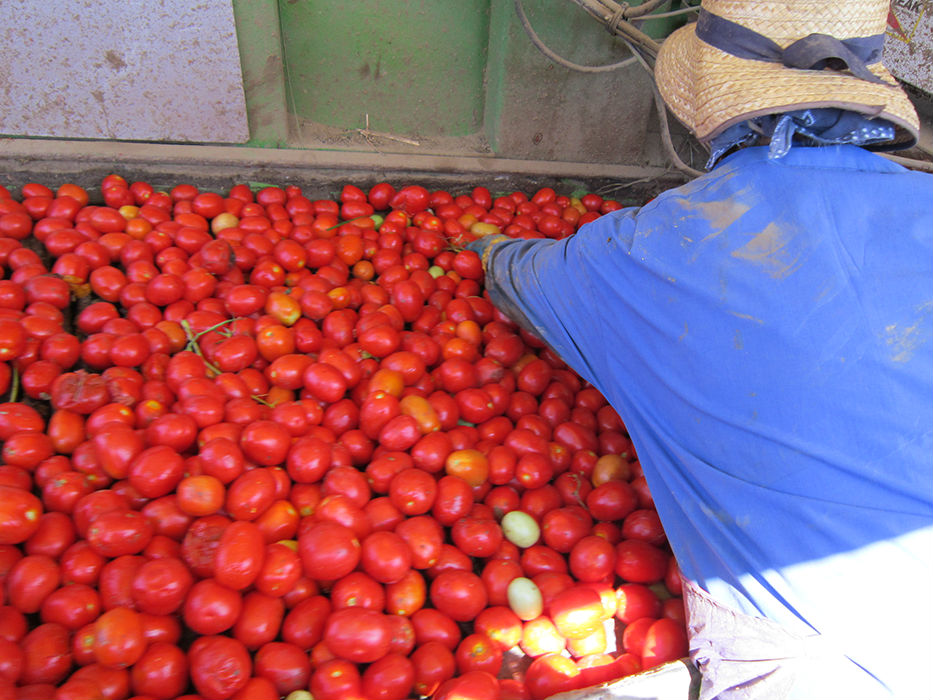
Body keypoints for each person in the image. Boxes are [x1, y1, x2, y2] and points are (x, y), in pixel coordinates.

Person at [467, 1, 933, 698]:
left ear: (710, 108)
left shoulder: (643, 250)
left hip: (820, 663)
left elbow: (519, 281)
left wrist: (485, 249)